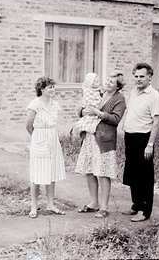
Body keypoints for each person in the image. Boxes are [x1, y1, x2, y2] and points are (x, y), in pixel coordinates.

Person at [75, 71, 126, 218]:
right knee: (89, 170)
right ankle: (93, 203)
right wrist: (82, 111)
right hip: (90, 137)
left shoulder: (119, 99)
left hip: (104, 140)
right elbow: (83, 105)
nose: (107, 82)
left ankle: (104, 207)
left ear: (118, 86)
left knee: (103, 172)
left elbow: (116, 119)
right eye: (108, 79)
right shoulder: (100, 93)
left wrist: (98, 113)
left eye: (112, 81)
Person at [122, 62, 159, 222]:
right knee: (132, 173)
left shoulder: (154, 96)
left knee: (144, 175)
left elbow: (156, 122)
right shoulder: (133, 92)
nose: (138, 80)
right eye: (136, 76)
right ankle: (136, 205)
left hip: (143, 139)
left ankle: (145, 211)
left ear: (150, 77)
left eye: (142, 76)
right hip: (130, 138)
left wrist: (150, 145)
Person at [25, 77, 66, 218]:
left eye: (54, 87)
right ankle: (34, 206)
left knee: (51, 172)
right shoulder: (35, 104)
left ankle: (50, 204)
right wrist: (36, 138)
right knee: (36, 173)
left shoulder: (55, 104)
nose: (53, 90)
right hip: (39, 138)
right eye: (50, 87)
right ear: (42, 89)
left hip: (52, 139)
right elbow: (28, 125)